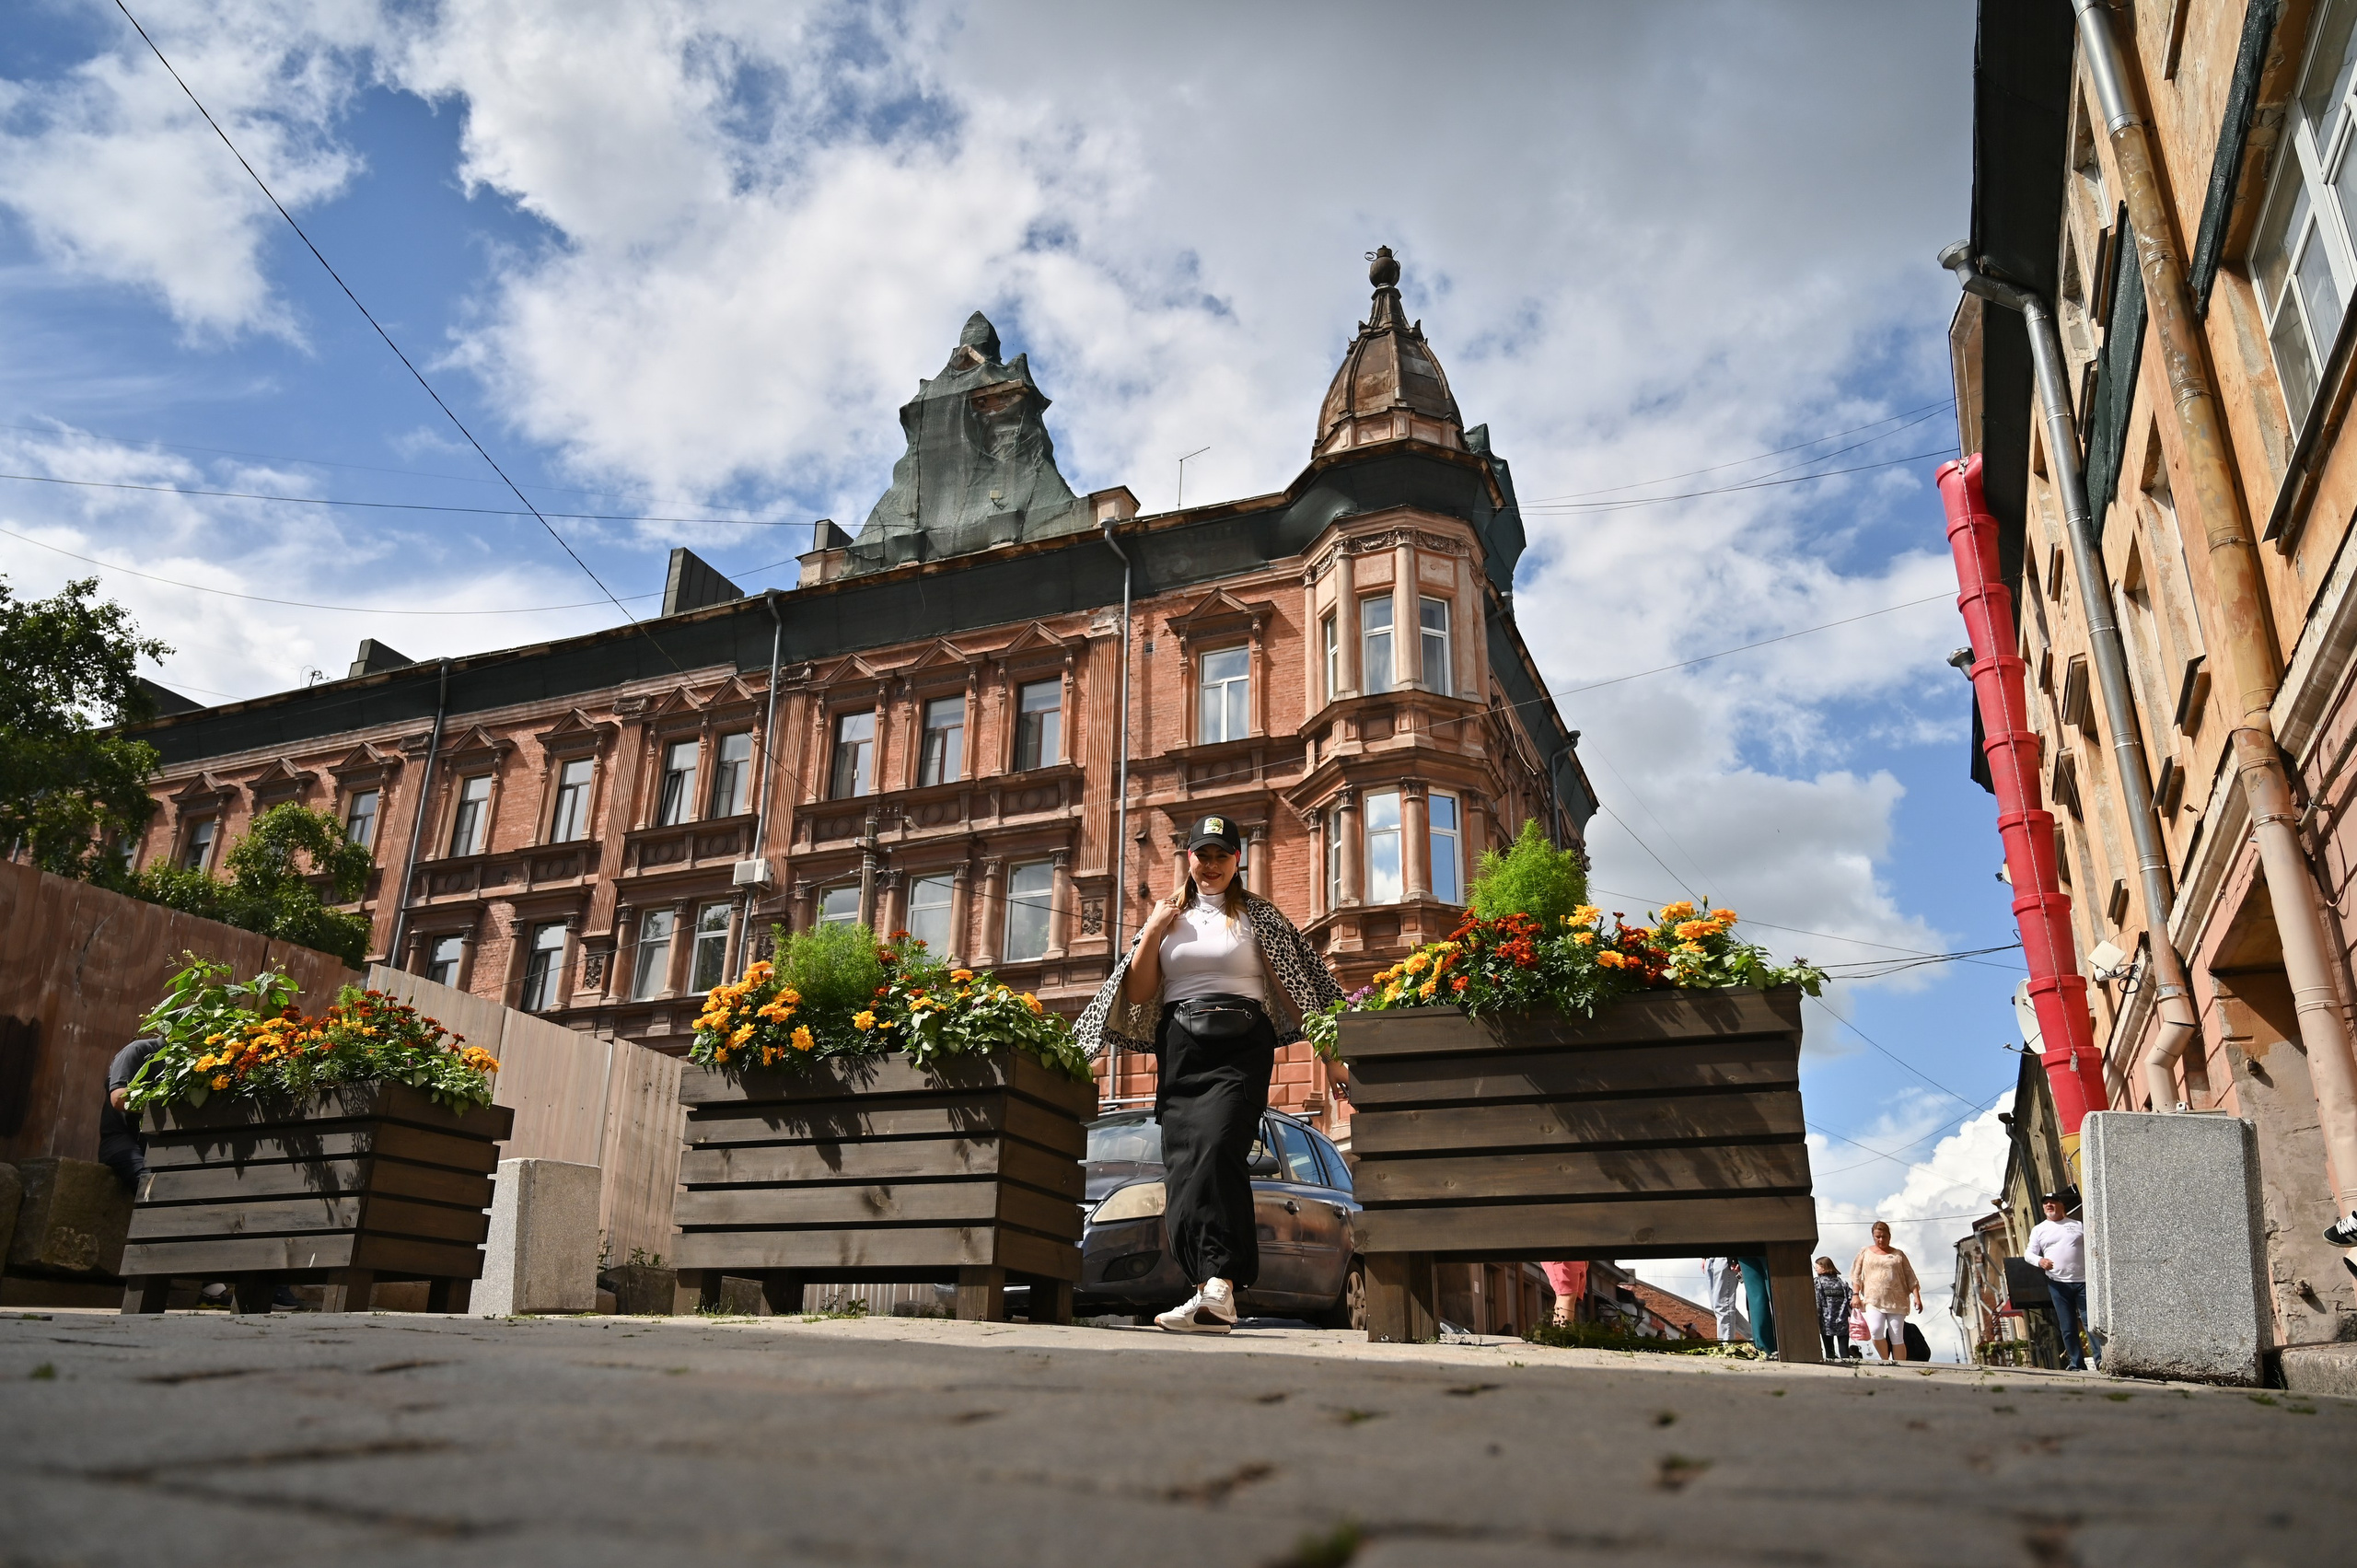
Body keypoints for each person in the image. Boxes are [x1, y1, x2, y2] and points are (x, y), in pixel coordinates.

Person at [1074, 815, 1345, 1333]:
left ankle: (1221, 1285)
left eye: (1222, 855)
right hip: (1181, 1046)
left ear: (1237, 859)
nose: (1212, 865)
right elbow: (1135, 992)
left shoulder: (1258, 917)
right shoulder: (1168, 918)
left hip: (1241, 1044)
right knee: (1183, 1166)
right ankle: (1206, 1292)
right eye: (1203, 855)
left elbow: (1296, 989)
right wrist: (1154, 927)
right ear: (1189, 858)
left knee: (1220, 1148)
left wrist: (1329, 1053)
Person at [2026, 1192, 2091, 1371]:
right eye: (2046, 1203)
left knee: (2089, 1321)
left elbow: (2093, 1246)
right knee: (2067, 1325)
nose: (2049, 1205)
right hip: (2057, 1282)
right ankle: (2077, 1363)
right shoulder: (2039, 1229)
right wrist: (2040, 1261)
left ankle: (2100, 1359)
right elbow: (2028, 1253)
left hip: (2083, 1280)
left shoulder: (2077, 1225)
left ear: (2061, 1205)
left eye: (2053, 1202)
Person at [1849, 1221, 1923, 1363]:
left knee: (1896, 1334)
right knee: (1876, 1330)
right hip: (1873, 1299)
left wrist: (1917, 1297)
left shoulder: (1898, 1254)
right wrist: (1856, 1295)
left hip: (1897, 1299)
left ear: (1889, 1236)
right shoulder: (1865, 1252)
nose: (1881, 1240)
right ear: (1873, 1236)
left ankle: (1901, 1365)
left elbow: (1910, 1276)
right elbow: (1856, 1275)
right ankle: (1886, 1360)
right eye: (1877, 1237)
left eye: (1884, 1237)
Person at [99, 1034, 165, 1191]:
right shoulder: (139, 1050)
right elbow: (119, 1098)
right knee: (157, 1188)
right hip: (123, 1142)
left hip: (157, 1146)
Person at [1813, 1255, 1854, 1361]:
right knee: (1844, 1349)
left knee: (1829, 1352)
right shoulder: (1842, 1283)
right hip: (1842, 1320)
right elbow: (1851, 1299)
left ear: (1824, 1267)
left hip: (1825, 1321)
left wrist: (1815, 1321)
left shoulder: (1817, 1282)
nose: (1816, 1269)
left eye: (1816, 1266)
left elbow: (1817, 1302)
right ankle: (1848, 1364)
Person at [1736, 1253, 1776, 1356]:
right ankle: (1789, 1345)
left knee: (1756, 1299)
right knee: (1777, 1295)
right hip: (1772, 1244)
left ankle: (1764, 1349)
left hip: (1742, 1246)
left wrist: (1732, 1259)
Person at [1702, 1257, 1743, 1342]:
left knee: (1723, 1306)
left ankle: (1726, 1346)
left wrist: (1734, 1258)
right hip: (1709, 1256)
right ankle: (1754, 1338)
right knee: (1718, 1306)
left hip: (1726, 1255)